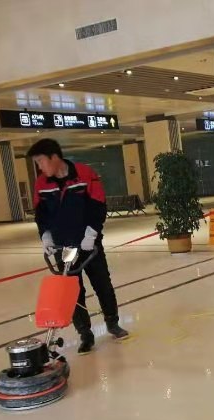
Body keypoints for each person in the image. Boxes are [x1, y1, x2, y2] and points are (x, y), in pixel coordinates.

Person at [29, 138, 128, 354]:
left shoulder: (84, 174)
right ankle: (85, 334)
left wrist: (91, 233)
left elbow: (98, 205)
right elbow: (41, 214)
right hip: (63, 246)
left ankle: (112, 322)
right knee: (73, 291)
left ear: (54, 158)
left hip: (88, 244)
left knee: (102, 283)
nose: (40, 167)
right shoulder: (41, 184)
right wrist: (46, 236)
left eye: (41, 161)